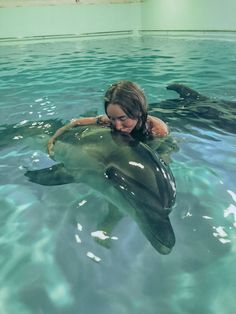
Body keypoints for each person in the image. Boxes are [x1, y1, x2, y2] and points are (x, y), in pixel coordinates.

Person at [47, 80, 169, 156]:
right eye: (112, 118)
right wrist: (53, 139)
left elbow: (163, 156)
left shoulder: (158, 131)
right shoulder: (108, 121)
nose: (117, 126)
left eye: (122, 118)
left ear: (138, 112)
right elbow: (76, 123)